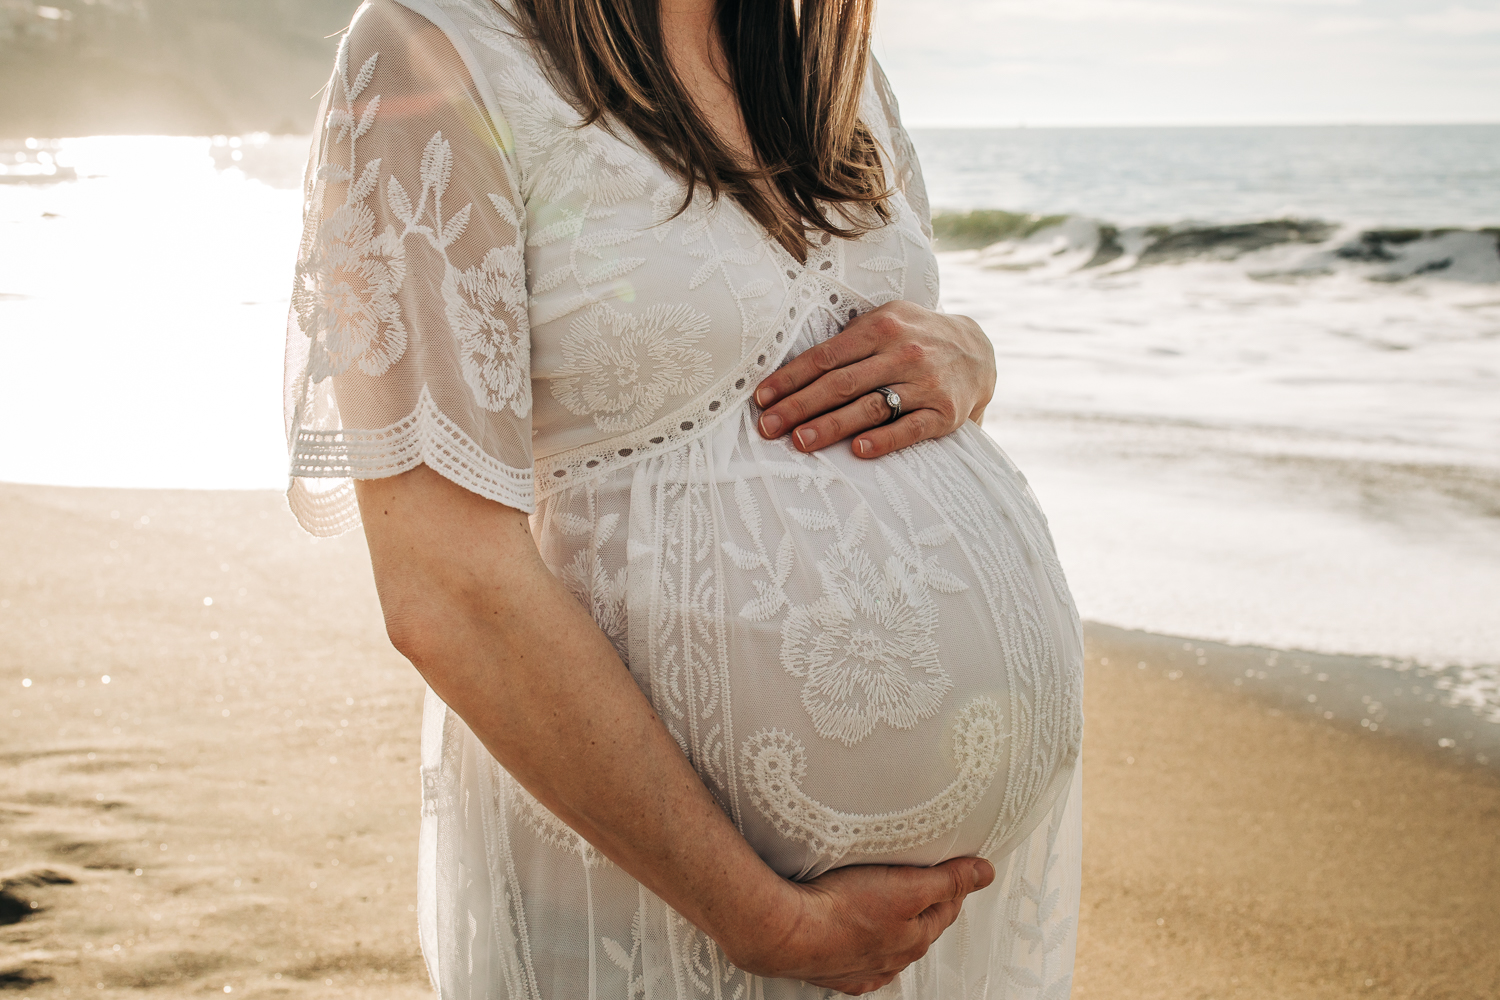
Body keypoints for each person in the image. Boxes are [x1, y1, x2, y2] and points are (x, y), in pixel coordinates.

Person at [284, 0, 1084, 995]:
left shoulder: (823, 63)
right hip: (663, 903)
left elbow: (887, 349)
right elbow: (445, 584)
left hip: (955, 922)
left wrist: (972, 356)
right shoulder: (434, 52)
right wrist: (768, 921)